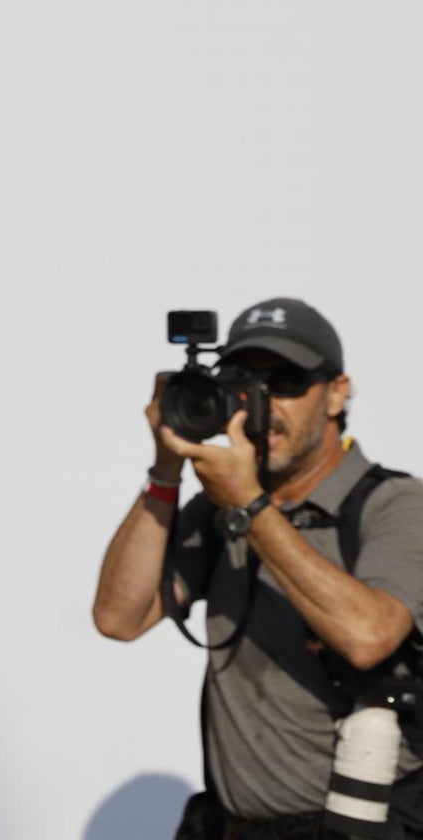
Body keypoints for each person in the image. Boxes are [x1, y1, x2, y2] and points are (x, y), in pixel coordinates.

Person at [93, 297, 423, 838]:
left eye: (288, 382)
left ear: (337, 392)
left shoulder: (396, 504)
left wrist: (251, 507)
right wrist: (165, 471)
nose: (263, 403)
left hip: (354, 825)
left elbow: (368, 636)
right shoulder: (223, 505)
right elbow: (119, 617)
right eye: (244, 381)